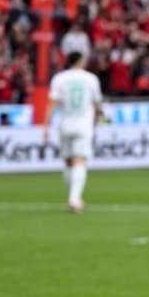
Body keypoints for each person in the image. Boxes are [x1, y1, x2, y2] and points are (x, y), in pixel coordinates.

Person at [43, 51, 104, 212]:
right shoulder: (91, 79)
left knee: (68, 162)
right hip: (84, 125)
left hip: (65, 124)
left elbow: (52, 104)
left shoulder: (59, 78)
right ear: (81, 61)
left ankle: (72, 196)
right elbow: (97, 105)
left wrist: (46, 126)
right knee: (80, 160)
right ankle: (74, 199)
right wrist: (99, 120)